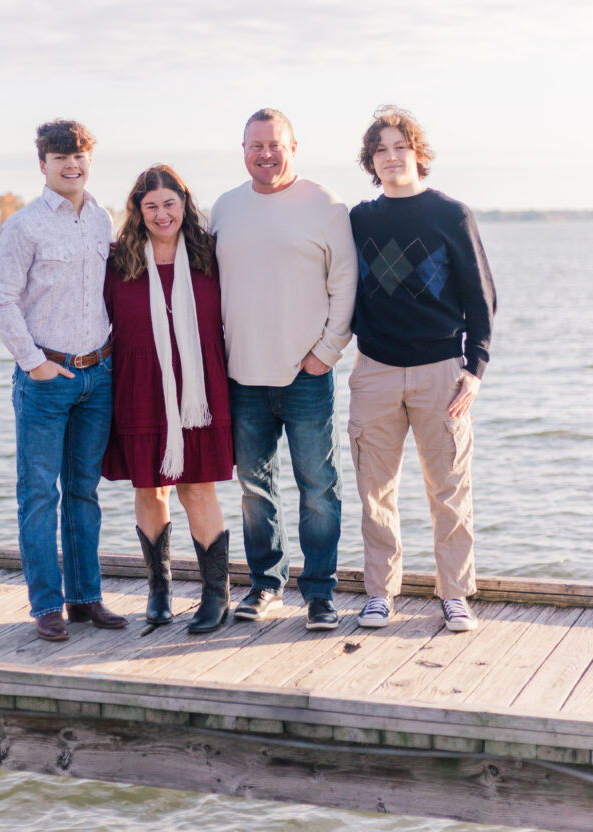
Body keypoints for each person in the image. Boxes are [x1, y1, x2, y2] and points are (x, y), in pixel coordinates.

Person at [348, 106, 496, 633]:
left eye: (399, 148)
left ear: (417, 154)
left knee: (450, 489)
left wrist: (474, 368)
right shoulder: (359, 220)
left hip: (441, 373)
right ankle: (379, 595)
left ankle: (455, 594)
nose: (391, 157)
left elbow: (482, 297)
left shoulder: (451, 215)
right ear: (371, 161)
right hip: (375, 370)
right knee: (375, 492)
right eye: (380, 150)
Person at [209, 108, 358, 632]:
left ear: (294, 147)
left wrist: (326, 353)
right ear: (243, 150)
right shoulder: (225, 208)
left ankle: (319, 594)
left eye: (275, 144)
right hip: (242, 375)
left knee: (318, 487)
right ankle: (267, 585)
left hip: (306, 373)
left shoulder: (325, 205)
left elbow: (346, 285)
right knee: (254, 489)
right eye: (256, 145)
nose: (266, 154)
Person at [0, 119, 127, 641]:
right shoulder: (23, 226)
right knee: (39, 494)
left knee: (84, 493)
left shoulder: (101, 219)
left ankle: (85, 598)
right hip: (46, 378)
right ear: (42, 164)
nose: (72, 164)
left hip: (99, 375)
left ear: (90, 159)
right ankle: (45, 604)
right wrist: (34, 363)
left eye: (80, 155)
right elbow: (1, 300)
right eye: (61, 156)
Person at [102, 165, 232, 634]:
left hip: (200, 388)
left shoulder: (209, 255)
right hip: (139, 385)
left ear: (184, 203)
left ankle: (216, 595)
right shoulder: (118, 261)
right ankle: (159, 588)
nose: (161, 214)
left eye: (169, 204)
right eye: (151, 205)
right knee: (149, 488)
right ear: (138, 209)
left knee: (197, 486)